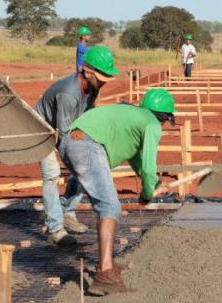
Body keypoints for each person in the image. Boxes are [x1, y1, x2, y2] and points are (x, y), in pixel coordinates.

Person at [59, 89, 175, 295]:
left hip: (71, 141)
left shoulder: (131, 115)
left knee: (106, 205)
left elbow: (135, 158)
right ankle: (105, 274)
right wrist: (147, 194)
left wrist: (155, 184)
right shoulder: (151, 124)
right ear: (165, 117)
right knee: (110, 206)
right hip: (87, 145)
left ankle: (107, 263)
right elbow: (148, 165)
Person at [35, 46, 118, 246]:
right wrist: (76, 158)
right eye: (101, 77)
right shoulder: (69, 93)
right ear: (87, 72)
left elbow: (87, 116)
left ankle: (67, 213)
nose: (104, 82)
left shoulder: (93, 88)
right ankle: (56, 229)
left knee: (84, 166)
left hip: (67, 128)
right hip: (43, 129)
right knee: (52, 174)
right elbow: (63, 134)